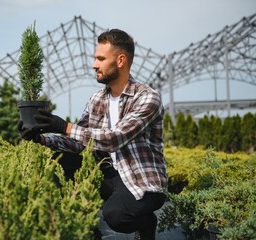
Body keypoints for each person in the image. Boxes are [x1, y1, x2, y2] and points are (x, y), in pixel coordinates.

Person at [18, 29, 168, 240]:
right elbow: (79, 143)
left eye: (100, 58)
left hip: (141, 180)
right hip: (107, 173)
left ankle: (145, 222)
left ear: (121, 60)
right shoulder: (97, 99)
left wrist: (64, 126)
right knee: (59, 161)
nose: (94, 64)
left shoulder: (147, 98)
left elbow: (114, 138)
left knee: (116, 216)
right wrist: (41, 138)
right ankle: (88, 232)